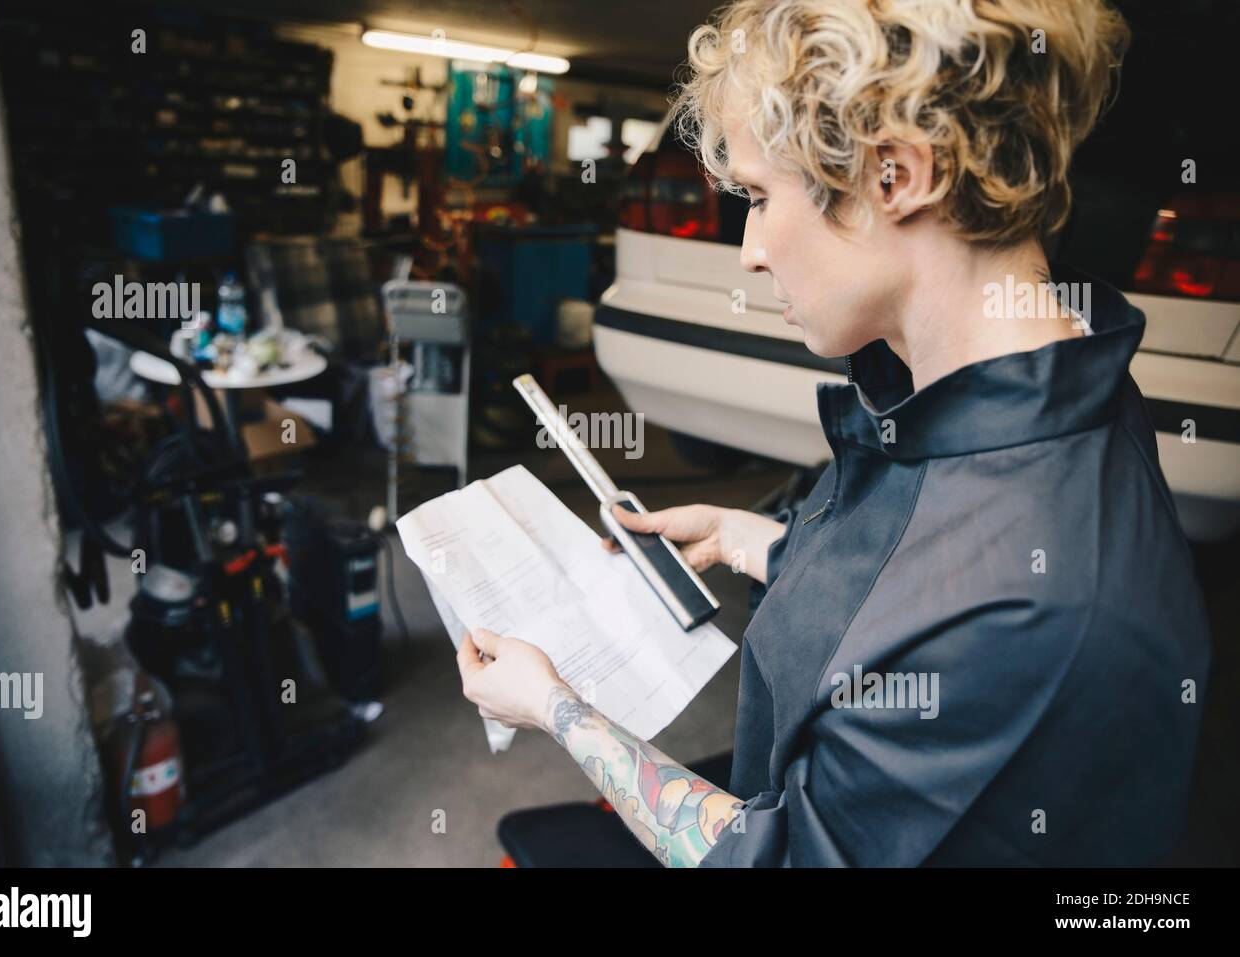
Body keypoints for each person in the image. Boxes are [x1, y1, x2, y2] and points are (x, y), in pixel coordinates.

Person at [455, 0, 1212, 866]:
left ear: (895, 174)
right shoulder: (1033, 390)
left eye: (760, 196)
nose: (750, 249)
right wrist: (758, 544)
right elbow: (915, 580)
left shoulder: (1028, 600)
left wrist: (557, 707)